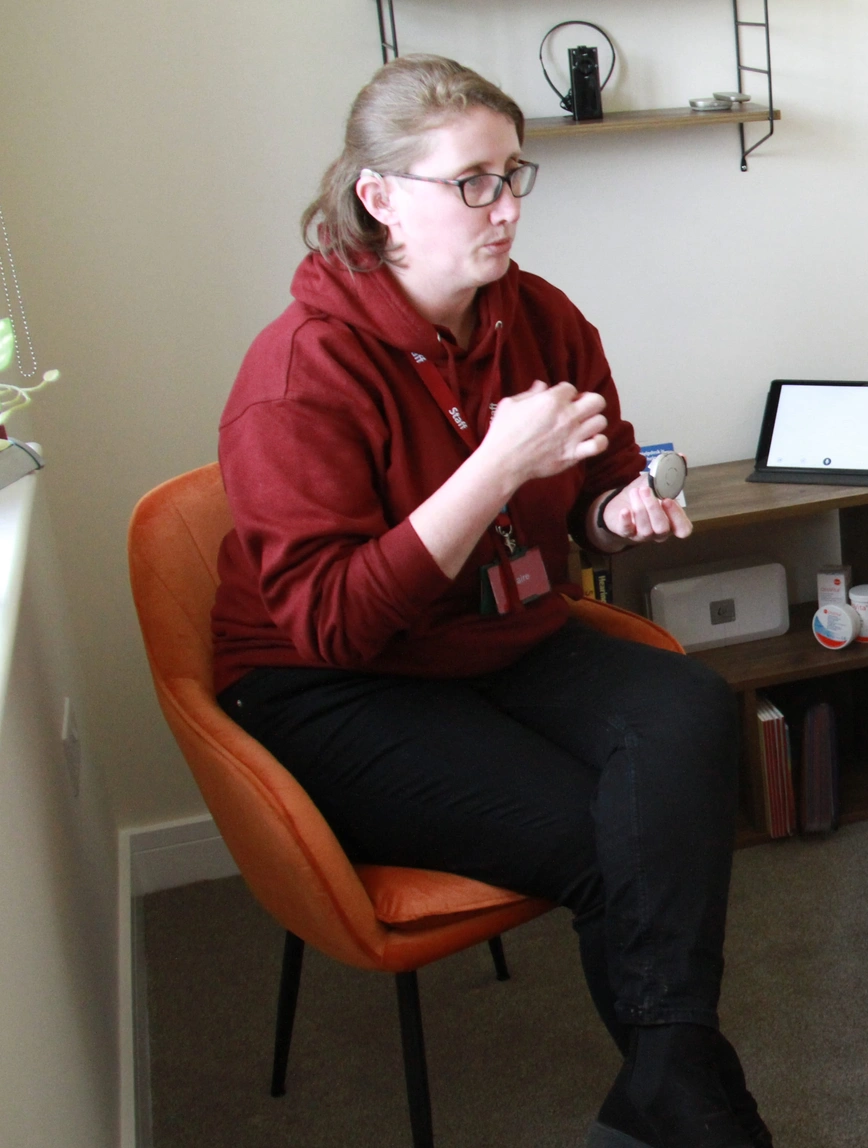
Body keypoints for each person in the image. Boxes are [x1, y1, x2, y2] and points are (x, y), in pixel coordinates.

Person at [211, 56, 770, 1148]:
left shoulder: (539, 317)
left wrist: (624, 513)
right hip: (328, 680)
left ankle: (663, 1086)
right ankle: (705, 1110)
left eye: (515, 173)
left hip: (494, 634)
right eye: (472, 181)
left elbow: (590, 503)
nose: (507, 205)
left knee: (692, 711)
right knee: (608, 836)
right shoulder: (297, 374)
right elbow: (333, 620)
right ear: (380, 199)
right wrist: (495, 468)